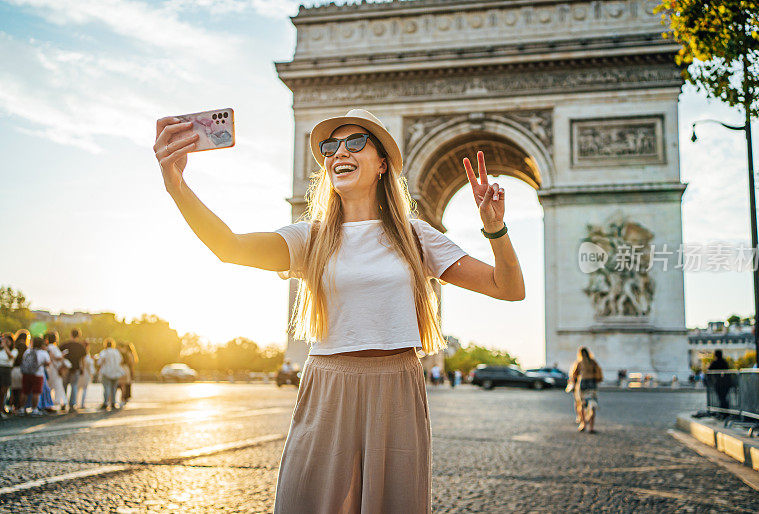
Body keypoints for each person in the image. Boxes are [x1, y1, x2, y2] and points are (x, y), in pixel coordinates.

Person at [153, 108, 524, 512]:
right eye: (331, 146)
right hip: (327, 387)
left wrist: (495, 229)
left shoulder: (417, 236)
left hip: (395, 389)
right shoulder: (309, 237)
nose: (338, 152)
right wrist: (176, 185)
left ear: (383, 163)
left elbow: (508, 289)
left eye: (355, 142)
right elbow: (230, 247)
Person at [569, 346, 603, 433]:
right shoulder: (593, 362)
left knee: (582, 404)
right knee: (592, 404)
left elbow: (573, 375)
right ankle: (591, 427)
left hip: (583, 383)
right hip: (592, 383)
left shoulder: (579, 363)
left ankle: (583, 424)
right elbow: (599, 374)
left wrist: (572, 384)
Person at [19, 336, 51, 416]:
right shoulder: (43, 353)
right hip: (38, 374)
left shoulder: (28, 351)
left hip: (26, 373)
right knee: (36, 392)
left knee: (25, 391)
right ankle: (34, 409)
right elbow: (48, 363)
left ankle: (22, 408)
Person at [60, 329, 87, 412]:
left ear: (71, 335)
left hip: (66, 368)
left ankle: (63, 403)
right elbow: (82, 359)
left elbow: (60, 355)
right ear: (78, 335)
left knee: (64, 386)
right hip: (76, 368)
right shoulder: (80, 346)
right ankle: (72, 404)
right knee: (74, 386)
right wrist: (82, 368)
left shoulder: (65, 345)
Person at [96, 338, 125, 410]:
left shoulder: (104, 352)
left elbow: (99, 362)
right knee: (114, 388)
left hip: (106, 372)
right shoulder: (116, 352)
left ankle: (106, 402)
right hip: (116, 372)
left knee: (106, 388)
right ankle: (113, 402)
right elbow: (121, 360)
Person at [44, 331, 66, 410]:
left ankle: (49, 402)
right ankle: (60, 401)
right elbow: (57, 357)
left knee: (49, 386)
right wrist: (63, 355)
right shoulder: (53, 347)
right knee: (58, 385)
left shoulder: (47, 347)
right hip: (54, 369)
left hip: (50, 368)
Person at [10, 329, 30, 414]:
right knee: (21, 390)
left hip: (13, 369)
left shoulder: (14, 346)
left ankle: (12, 407)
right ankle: (20, 407)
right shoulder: (24, 346)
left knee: (13, 390)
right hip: (21, 370)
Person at [0, 333, 18, 418]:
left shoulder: (14, 350)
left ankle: (2, 409)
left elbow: (11, 357)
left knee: (3, 392)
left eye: (7, 341)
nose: (5, 342)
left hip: (6, 370)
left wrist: (5, 347)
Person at [117, 342, 138, 407]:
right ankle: (123, 398)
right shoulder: (130, 354)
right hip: (127, 370)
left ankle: (119, 398)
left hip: (122, 369)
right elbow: (132, 364)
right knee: (125, 385)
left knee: (120, 385)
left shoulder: (124, 354)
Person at [77, 342, 95, 409]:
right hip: (85, 373)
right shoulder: (87, 355)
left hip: (79, 373)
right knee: (84, 389)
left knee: (77, 389)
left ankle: (75, 403)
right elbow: (90, 366)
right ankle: (82, 404)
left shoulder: (78, 354)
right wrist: (92, 374)